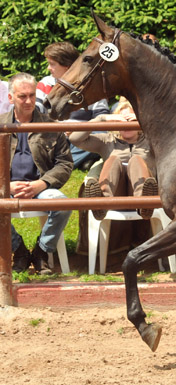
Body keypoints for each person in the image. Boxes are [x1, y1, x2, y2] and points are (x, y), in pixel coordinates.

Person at [1, 73, 73, 274]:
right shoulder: (0, 125)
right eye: (22, 96)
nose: (29, 101)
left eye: (32, 95)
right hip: (7, 187)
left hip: (41, 187)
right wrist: (6, 185)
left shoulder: (50, 125)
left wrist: (42, 184)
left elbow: (65, 164)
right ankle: (19, 250)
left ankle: (42, 251)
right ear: (10, 98)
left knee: (64, 205)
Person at [69, 98, 158, 220]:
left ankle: (144, 202)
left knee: (136, 160)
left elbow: (172, 134)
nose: (126, 124)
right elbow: (75, 139)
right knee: (113, 160)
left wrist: (146, 120)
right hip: (116, 193)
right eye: (122, 120)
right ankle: (102, 203)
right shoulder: (108, 140)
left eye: (131, 119)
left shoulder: (151, 141)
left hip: (141, 192)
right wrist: (101, 119)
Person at [35, 41, 110, 170]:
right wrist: (59, 129)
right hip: (54, 138)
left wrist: (79, 130)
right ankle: (78, 162)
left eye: (52, 64)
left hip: (80, 138)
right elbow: (36, 115)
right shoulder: (45, 84)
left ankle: (60, 165)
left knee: (101, 137)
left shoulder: (90, 86)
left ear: (67, 66)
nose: (48, 68)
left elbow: (102, 119)